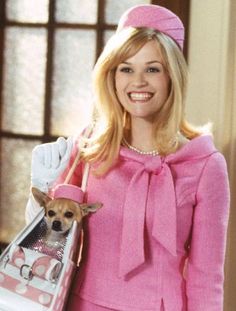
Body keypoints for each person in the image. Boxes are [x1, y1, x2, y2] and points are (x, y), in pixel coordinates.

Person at [25, 4, 230, 311]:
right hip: (82, 304)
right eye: (126, 68)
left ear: (172, 76)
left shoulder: (205, 165)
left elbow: (206, 278)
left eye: (152, 68)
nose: (138, 82)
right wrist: (42, 188)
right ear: (112, 75)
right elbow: (48, 244)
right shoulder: (91, 146)